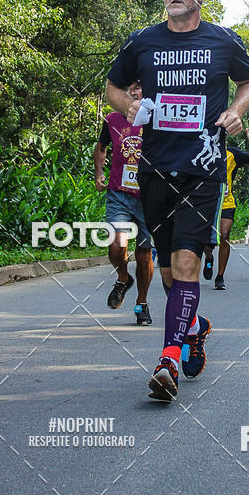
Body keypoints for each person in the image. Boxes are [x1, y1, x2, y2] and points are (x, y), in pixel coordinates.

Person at [106, 0, 249, 401]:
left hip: (203, 169)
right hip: (154, 170)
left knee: (188, 263)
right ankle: (193, 327)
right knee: (171, 275)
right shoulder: (143, 41)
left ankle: (168, 359)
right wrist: (128, 106)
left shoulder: (223, 40)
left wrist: (237, 110)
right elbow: (113, 87)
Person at [93, 81, 154, 324]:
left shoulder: (155, 120)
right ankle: (123, 278)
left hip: (148, 197)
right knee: (116, 247)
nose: (134, 92)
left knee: (144, 252)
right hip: (119, 194)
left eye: (139, 87)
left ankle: (142, 304)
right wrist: (99, 173)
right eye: (130, 88)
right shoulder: (112, 120)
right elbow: (101, 147)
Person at [203, 131, 249, 289]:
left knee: (224, 236)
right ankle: (209, 257)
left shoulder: (232, 153)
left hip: (227, 202)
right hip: (207, 203)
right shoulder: (202, 150)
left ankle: (220, 276)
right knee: (206, 241)